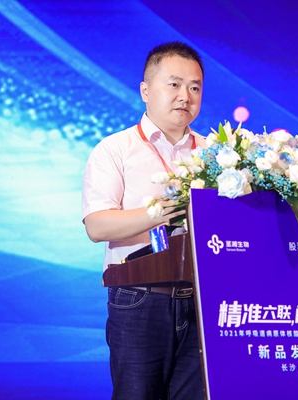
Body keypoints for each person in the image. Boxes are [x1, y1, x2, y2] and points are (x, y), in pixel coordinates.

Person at [81, 42, 206, 400]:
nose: (185, 96)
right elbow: (97, 226)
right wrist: (164, 211)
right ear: (145, 91)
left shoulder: (215, 153)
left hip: (201, 301)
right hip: (139, 299)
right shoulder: (115, 149)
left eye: (195, 88)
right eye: (174, 84)